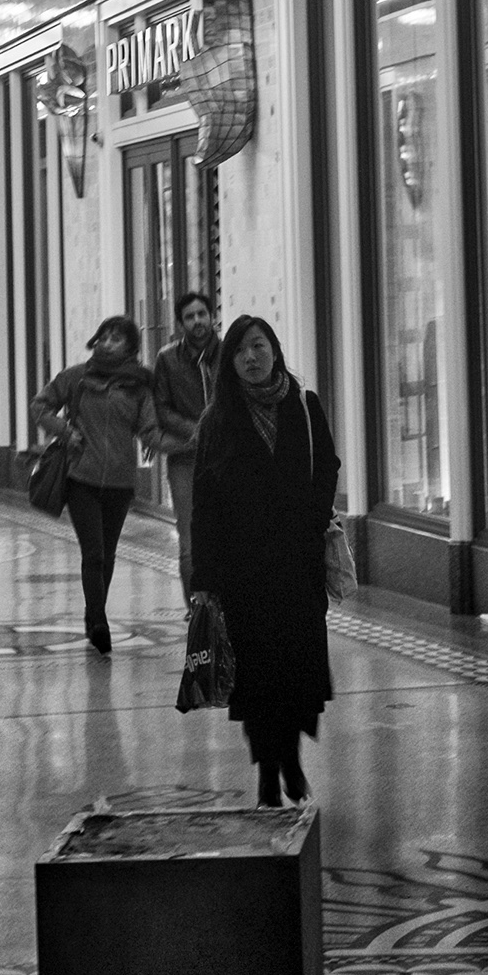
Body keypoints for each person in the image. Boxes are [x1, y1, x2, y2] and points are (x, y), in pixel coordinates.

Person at [191, 315, 339, 808]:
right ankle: (268, 773)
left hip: (298, 565)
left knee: (297, 668)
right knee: (256, 674)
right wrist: (204, 577)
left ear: (274, 350)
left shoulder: (304, 405)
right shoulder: (217, 422)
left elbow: (328, 466)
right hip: (243, 571)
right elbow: (204, 504)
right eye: (240, 351)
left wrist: (313, 518)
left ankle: (290, 757)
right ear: (229, 363)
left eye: (258, 346)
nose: (251, 357)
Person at [33, 315, 162, 653]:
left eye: (115, 338)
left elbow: (148, 427)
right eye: (103, 337)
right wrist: (65, 431)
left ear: (131, 346)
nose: (106, 343)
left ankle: (93, 615)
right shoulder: (76, 377)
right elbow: (40, 406)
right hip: (81, 477)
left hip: (120, 481)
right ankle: (99, 620)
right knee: (93, 552)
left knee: (108, 554)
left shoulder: (139, 385)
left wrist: (179, 442)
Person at [151, 289, 219, 598]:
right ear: (180, 324)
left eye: (202, 314)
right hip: (185, 459)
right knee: (190, 540)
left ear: (212, 316)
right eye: (189, 317)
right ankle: (195, 608)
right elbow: (161, 408)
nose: (197, 321)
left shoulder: (229, 353)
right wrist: (195, 431)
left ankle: (227, 606)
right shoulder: (167, 359)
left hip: (224, 457)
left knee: (227, 533)